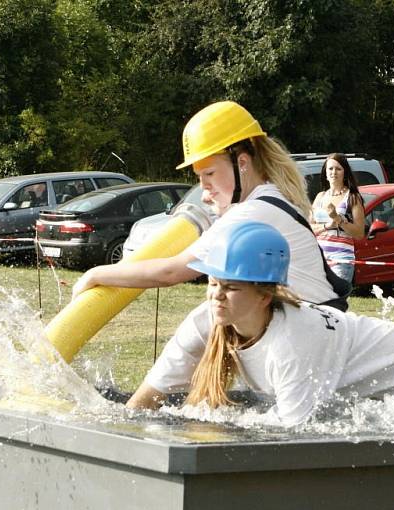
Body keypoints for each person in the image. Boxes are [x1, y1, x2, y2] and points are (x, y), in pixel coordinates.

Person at [71, 102, 350, 406]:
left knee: (202, 320)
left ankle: (136, 410)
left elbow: (171, 272)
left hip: (306, 334)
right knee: (209, 317)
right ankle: (143, 407)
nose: (204, 190)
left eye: (210, 174)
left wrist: (96, 274)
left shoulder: (250, 213)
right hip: (311, 328)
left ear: (242, 162)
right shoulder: (273, 197)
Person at [128, 221, 394, 425]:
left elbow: (290, 443)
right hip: (367, 388)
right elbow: (145, 399)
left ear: (264, 296)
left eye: (231, 287)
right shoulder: (204, 320)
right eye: (213, 283)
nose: (216, 296)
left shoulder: (292, 344)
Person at [310, 154, 366, 284]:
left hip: (341, 260)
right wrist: (328, 225)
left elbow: (359, 233)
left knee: (336, 301)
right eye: (330, 169)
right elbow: (309, 228)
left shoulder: (352, 197)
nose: (333, 172)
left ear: (345, 173)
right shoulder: (320, 197)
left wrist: (338, 219)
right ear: (325, 172)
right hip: (319, 260)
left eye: (338, 169)